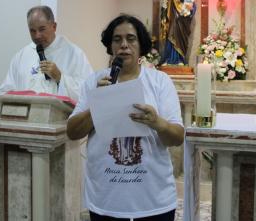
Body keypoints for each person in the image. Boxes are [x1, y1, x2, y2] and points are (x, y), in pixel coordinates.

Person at [67, 14, 184, 221]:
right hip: (106, 200)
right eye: (117, 39)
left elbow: (176, 138)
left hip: (153, 201)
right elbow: (73, 132)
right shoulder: (94, 81)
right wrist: (98, 104)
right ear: (110, 46)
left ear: (141, 45)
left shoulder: (160, 82)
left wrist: (157, 122)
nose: (123, 45)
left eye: (131, 39)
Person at [0, 5, 93, 100]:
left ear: (54, 26)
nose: (37, 36)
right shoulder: (21, 56)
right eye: (32, 31)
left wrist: (60, 78)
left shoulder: (74, 54)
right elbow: (4, 92)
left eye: (42, 29)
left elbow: (89, 91)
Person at [160, 0, 195, 65]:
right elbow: (165, 6)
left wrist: (190, 10)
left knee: (181, 41)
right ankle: (168, 59)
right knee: (170, 37)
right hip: (172, 20)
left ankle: (180, 60)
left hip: (183, 22)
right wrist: (163, 12)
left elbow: (193, 7)